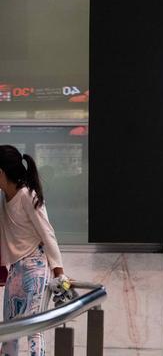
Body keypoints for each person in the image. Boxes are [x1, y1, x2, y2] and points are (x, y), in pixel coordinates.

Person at [0, 145, 68, 356]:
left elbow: (48, 234)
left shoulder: (28, 195)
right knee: (9, 331)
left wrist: (59, 273)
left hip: (36, 267)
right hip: (16, 270)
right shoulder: (4, 198)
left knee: (34, 329)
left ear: (1, 172)